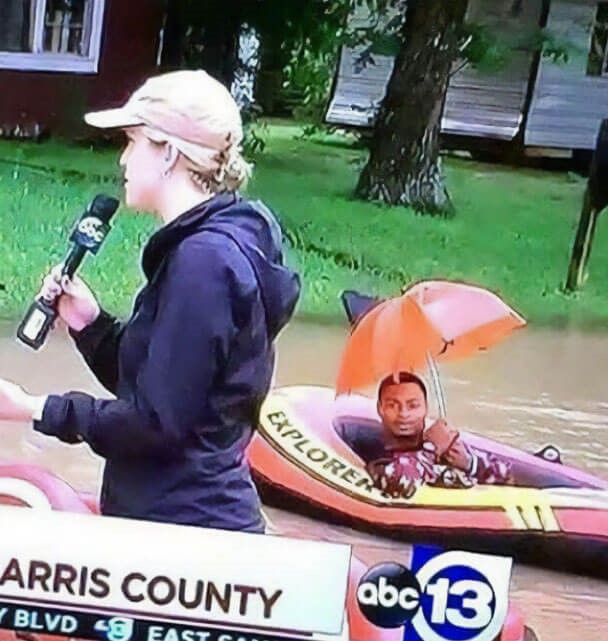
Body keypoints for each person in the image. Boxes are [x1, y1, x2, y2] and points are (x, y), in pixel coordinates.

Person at [0, 70, 300, 533]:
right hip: (178, 523)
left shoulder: (204, 263)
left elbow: (154, 425)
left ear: (169, 154)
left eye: (132, 142)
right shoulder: (208, 249)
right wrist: (90, 325)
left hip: (188, 536)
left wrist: (33, 407)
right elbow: (164, 389)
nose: (123, 160)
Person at [335, 372, 511, 498]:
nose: (403, 414)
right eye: (393, 405)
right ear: (380, 409)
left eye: (413, 405)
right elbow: (401, 485)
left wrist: (469, 463)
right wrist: (432, 449)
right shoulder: (373, 450)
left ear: (426, 408)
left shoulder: (442, 444)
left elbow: (508, 474)